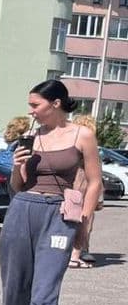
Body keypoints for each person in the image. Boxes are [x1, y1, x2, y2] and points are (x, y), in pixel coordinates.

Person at [0, 80, 102, 305]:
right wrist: (16, 167)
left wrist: (83, 221)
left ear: (55, 103)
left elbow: (94, 182)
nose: (31, 111)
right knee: (15, 284)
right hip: (23, 209)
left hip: (60, 215)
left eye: (35, 105)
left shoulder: (81, 135)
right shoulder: (31, 137)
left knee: (45, 289)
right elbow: (18, 186)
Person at [67, 114, 100, 269]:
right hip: (82, 184)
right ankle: (77, 253)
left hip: (76, 183)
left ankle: (77, 250)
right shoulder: (87, 143)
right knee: (84, 218)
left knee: (74, 217)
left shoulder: (71, 141)